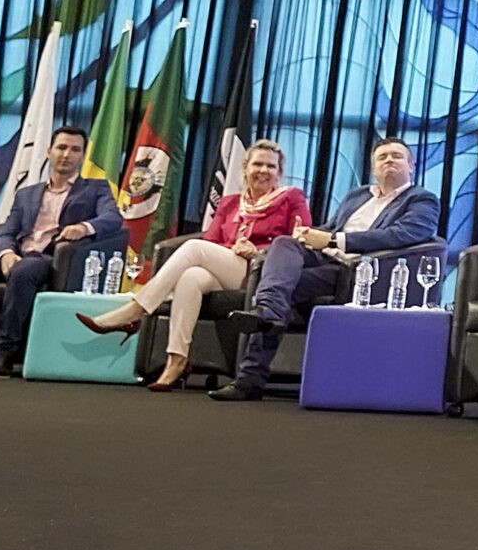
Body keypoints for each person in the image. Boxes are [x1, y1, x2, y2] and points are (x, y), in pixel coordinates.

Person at [209, 138, 440, 402]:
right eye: (382, 157)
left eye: (396, 156)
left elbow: (402, 234)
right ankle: (267, 312)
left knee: (279, 289)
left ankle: (249, 378)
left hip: (359, 271)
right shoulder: (358, 196)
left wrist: (333, 240)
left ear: (411, 165)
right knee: (284, 245)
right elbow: (331, 227)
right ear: (373, 168)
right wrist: (308, 234)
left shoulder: (422, 199)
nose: (389, 160)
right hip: (326, 258)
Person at [72, 140, 311, 391]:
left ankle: (136, 309)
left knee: (193, 249)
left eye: (270, 166)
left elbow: (299, 240)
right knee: (191, 277)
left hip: (262, 272)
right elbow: (212, 242)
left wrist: (258, 251)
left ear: (279, 172)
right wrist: (233, 248)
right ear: (245, 168)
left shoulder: (291, 198)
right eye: (258, 164)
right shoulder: (230, 203)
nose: (263, 170)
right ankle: (177, 360)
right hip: (228, 265)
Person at [0, 127, 125, 379]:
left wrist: (84, 227)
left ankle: (4, 351)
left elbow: (112, 218)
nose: (67, 154)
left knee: (23, 270)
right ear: (49, 151)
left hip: (50, 260)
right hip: (17, 255)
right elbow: (7, 230)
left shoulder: (95, 189)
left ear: (83, 156)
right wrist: (6, 253)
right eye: (61, 148)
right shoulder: (27, 193)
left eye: (75, 150)